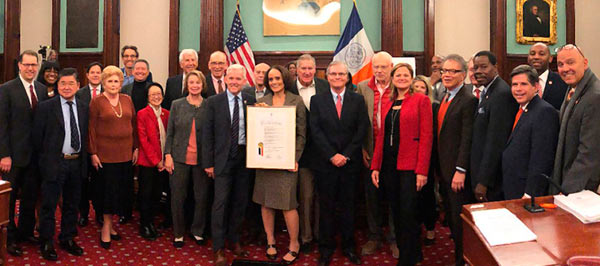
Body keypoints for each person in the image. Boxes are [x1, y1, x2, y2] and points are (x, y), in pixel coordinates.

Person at [371, 63, 433, 266]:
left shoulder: (421, 100)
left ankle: (408, 258)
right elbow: (380, 136)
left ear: (412, 78)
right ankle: (412, 254)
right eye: (398, 75)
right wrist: (375, 166)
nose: (402, 78)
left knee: (409, 214)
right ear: (392, 77)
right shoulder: (388, 102)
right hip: (389, 166)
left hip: (411, 167)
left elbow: (426, 136)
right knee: (396, 212)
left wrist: (422, 170)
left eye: (406, 75)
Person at [310, 61, 369, 266]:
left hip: (349, 164)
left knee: (348, 207)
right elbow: (315, 131)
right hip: (325, 164)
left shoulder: (358, 100)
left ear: (347, 77)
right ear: (327, 76)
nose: (337, 77)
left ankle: (349, 247)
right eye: (333, 74)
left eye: (341, 74)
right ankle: (325, 249)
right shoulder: (317, 100)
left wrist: (345, 155)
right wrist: (331, 155)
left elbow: (362, 129)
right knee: (325, 208)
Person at [202, 64, 257, 266]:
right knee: (220, 204)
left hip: (244, 159)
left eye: (238, 79)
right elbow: (207, 135)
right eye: (231, 78)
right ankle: (218, 248)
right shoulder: (213, 102)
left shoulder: (250, 100)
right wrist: (208, 163)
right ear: (225, 79)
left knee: (240, 202)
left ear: (244, 80)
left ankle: (234, 240)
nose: (234, 82)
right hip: (222, 160)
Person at [252, 65, 306, 264]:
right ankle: (270, 240)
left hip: (286, 163)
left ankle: (294, 243)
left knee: (288, 204)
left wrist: (295, 159)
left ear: (284, 79)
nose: (274, 82)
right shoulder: (261, 102)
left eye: (277, 78)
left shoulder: (297, 101)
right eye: (271, 79)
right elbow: (255, 133)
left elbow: (302, 135)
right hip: (265, 161)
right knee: (266, 202)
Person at [33, 68, 87, 261]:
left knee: (72, 205)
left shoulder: (83, 106)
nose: (66, 87)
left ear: (78, 86)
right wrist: (45, 163)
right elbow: (38, 139)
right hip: (54, 163)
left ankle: (67, 238)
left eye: (71, 83)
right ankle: (46, 241)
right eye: (62, 83)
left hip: (76, 163)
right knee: (48, 206)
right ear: (57, 86)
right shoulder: (46, 107)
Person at [0, 50, 49, 256]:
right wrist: (4, 154)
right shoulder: (6, 89)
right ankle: (9, 239)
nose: (31, 68)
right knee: (10, 202)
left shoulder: (42, 89)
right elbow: (1, 124)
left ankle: (25, 232)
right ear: (19, 66)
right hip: (13, 157)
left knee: (30, 197)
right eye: (27, 65)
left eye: (34, 65)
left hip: (36, 157)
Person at [433, 54, 478, 266]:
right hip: (444, 169)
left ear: (463, 75)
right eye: (444, 71)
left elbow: (467, 138)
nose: (447, 75)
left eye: (453, 71)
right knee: (451, 218)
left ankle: (463, 260)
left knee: (460, 222)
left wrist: (461, 169)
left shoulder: (468, 100)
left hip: (457, 173)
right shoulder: (445, 95)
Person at [88, 65, 138, 249]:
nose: (113, 84)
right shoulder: (97, 102)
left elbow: (133, 124)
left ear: (121, 82)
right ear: (103, 82)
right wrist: (92, 152)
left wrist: (136, 147)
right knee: (106, 194)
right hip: (104, 156)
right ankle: (106, 226)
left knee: (120, 192)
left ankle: (112, 223)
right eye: (109, 81)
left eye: (116, 80)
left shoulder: (127, 99)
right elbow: (91, 129)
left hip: (125, 154)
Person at [355, 51, 397, 257]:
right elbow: (359, 121)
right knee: (371, 197)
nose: (379, 71)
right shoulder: (362, 87)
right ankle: (374, 236)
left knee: (394, 196)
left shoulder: (400, 85)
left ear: (391, 67)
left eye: (384, 67)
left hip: (394, 153)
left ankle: (394, 238)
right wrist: (363, 147)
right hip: (370, 151)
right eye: (376, 67)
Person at [164, 70, 211, 248]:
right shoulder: (177, 104)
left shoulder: (209, 105)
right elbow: (170, 133)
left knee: (201, 197)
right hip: (178, 158)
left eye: (198, 82)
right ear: (187, 85)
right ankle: (178, 233)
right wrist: (167, 155)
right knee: (177, 197)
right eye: (191, 82)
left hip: (202, 161)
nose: (194, 85)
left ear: (202, 85)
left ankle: (197, 231)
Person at [289, 54, 329, 253]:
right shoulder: (288, 89)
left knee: (323, 197)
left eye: (310, 68)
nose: (306, 72)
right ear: (296, 70)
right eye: (303, 68)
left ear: (315, 69)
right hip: (300, 154)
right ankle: (305, 237)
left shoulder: (325, 86)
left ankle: (322, 235)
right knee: (305, 198)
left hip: (325, 153)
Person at [502, 65, 558, 200]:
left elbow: (542, 158)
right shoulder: (520, 109)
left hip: (527, 192)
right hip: (512, 186)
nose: (518, 89)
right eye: (514, 85)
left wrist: (531, 193)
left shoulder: (544, 111)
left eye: (523, 84)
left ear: (536, 86)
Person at [470, 51, 519, 202]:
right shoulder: (488, 91)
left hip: (492, 180)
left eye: (484, 67)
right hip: (480, 170)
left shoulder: (501, 93)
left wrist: (484, 181)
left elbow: (496, 141)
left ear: (495, 67)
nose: (478, 72)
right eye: (476, 68)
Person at [551, 45, 600, 194]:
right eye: (560, 64)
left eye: (571, 62)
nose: (565, 69)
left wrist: (567, 190)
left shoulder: (595, 96)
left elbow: (589, 152)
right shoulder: (573, 88)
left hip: (579, 189)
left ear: (585, 63)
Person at [136, 82, 170, 240]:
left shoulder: (167, 113)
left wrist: (165, 160)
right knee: (146, 194)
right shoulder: (142, 114)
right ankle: (145, 224)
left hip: (164, 162)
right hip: (148, 163)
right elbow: (144, 140)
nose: (156, 97)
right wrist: (157, 161)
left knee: (157, 194)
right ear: (147, 97)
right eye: (153, 94)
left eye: (159, 94)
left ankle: (151, 222)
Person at [411, 75, 438, 246]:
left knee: (427, 194)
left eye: (422, 87)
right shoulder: (407, 106)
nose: (418, 90)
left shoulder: (434, 106)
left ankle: (430, 228)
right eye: (415, 87)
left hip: (429, 156)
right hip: (410, 157)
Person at [76, 62, 104, 227]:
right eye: (92, 72)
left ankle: (100, 214)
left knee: (100, 182)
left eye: (98, 72)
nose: (95, 75)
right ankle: (84, 213)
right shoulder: (79, 94)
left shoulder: (108, 93)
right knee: (83, 182)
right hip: (84, 145)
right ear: (87, 75)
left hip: (103, 145)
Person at [527, 42, 568, 110]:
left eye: (541, 54)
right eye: (532, 54)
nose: (536, 57)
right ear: (528, 58)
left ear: (550, 58)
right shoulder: (522, 81)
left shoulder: (562, 81)